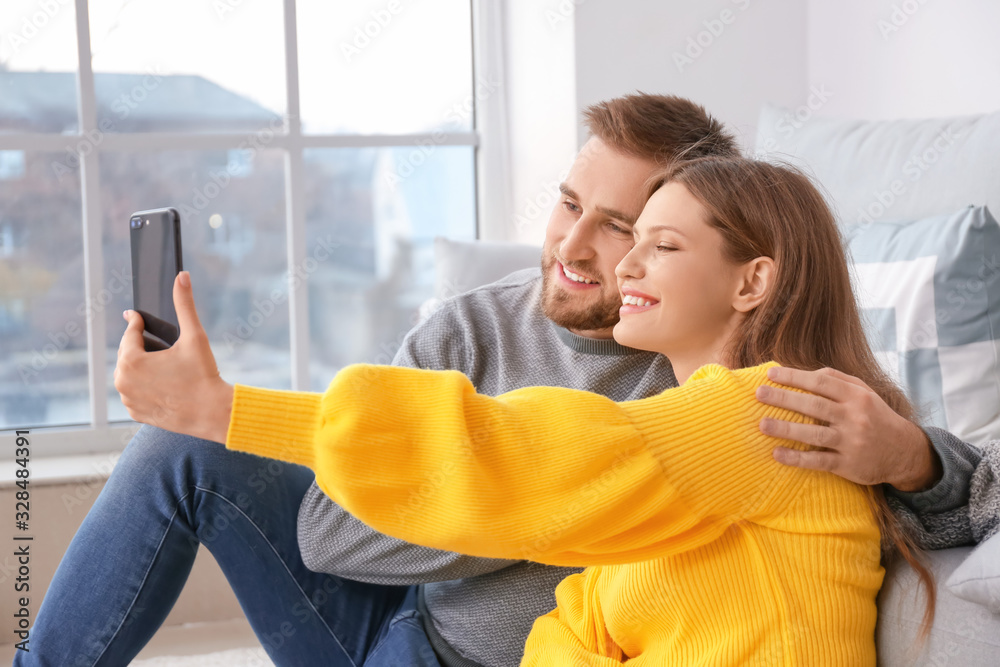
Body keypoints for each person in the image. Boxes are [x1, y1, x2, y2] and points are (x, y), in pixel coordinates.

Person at [18, 95, 976, 667]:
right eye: (572, 206)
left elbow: (946, 493)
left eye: (641, 232)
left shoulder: (751, 398)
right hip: (403, 618)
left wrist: (913, 452)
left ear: (742, 272)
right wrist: (526, 520)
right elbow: (333, 530)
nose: (584, 249)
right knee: (180, 444)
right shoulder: (480, 320)